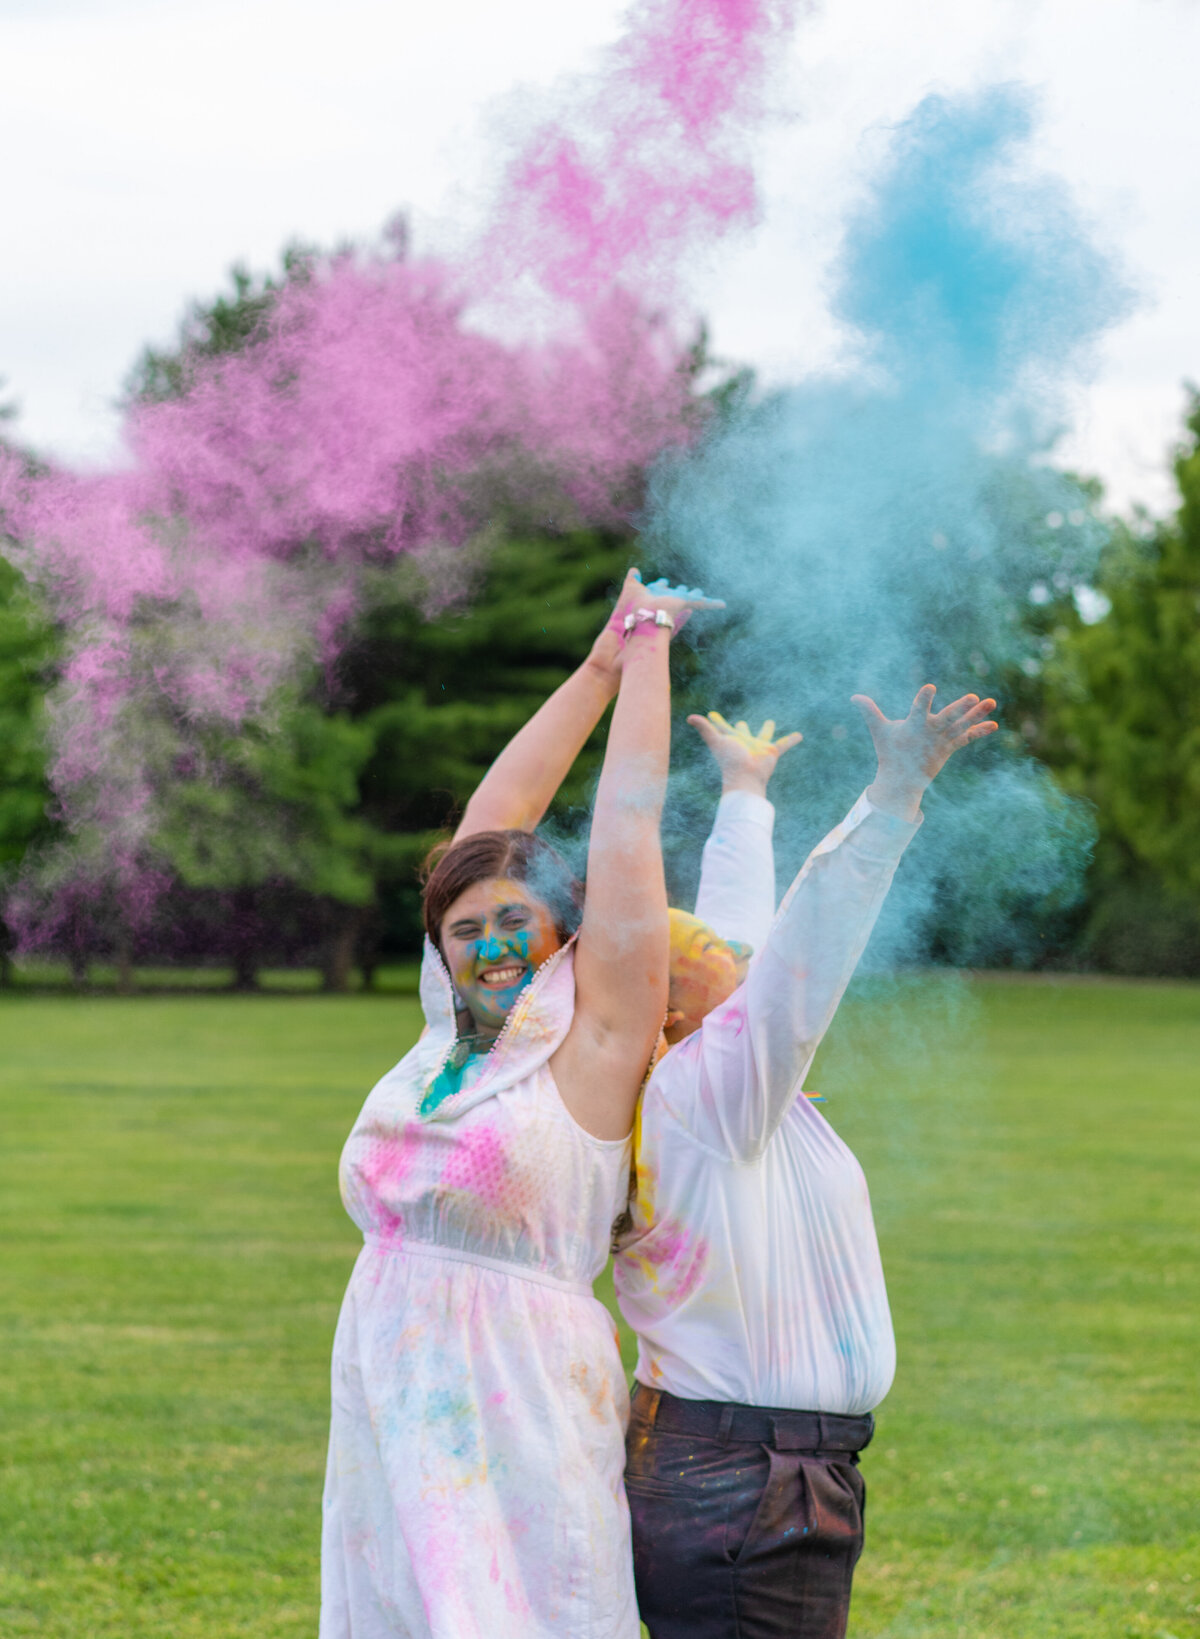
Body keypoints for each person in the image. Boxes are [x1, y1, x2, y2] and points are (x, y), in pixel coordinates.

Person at [320, 568, 721, 1639]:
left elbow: (626, 828)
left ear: (563, 932)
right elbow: (491, 825)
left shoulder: (591, 1045)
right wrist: (591, 665)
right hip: (392, 1378)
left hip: (522, 1388)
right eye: (466, 927)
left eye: (517, 922)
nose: (491, 944)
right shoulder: (444, 1035)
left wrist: (645, 655)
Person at [616, 684, 998, 1639]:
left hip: (765, 1472)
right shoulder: (701, 1096)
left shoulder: (716, 1087)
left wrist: (746, 794)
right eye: (704, 951)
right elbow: (799, 954)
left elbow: (745, 933)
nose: (730, 950)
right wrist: (892, 797)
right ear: (665, 1013)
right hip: (743, 1483)